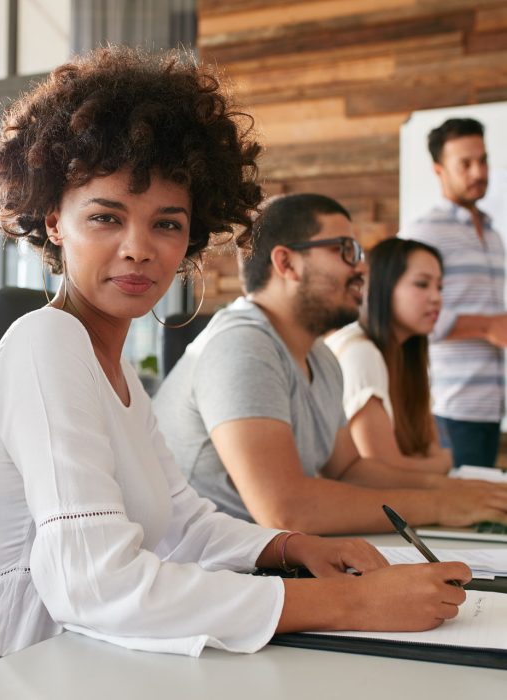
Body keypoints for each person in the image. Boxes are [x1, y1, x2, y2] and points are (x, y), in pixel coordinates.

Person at [0, 47, 471, 659]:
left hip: (92, 656)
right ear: (55, 221)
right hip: (11, 666)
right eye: (107, 217)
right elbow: (93, 583)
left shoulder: (120, 370)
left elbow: (182, 521)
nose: (139, 248)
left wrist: (290, 547)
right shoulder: (44, 342)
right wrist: (353, 603)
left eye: (166, 224)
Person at [153, 193, 507, 535]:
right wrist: (442, 506)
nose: (363, 268)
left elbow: (349, 469)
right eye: (346, 250)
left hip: (262, 563)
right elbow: (285, 509)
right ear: (287, 263)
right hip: (210, 575)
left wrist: (455, 491)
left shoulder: (320, 356)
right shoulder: (241, 346)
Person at [399, 118, 506, 468]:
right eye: (466, 163)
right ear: (439, 169)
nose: (479, 171)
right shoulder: (423, 232)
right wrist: (486, 327)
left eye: (484, 160)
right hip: (452, 406)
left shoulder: (492, 233)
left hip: (493, 405)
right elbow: (401, 308)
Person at [326, 237, 452, 474]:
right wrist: (442, 463)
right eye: (422, 284)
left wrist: (438, 462)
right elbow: (384, 470)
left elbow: (428, 447)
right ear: (383, 286)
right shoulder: (360, 352)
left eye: (440, 287)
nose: (436, 298)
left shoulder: (407, 353)